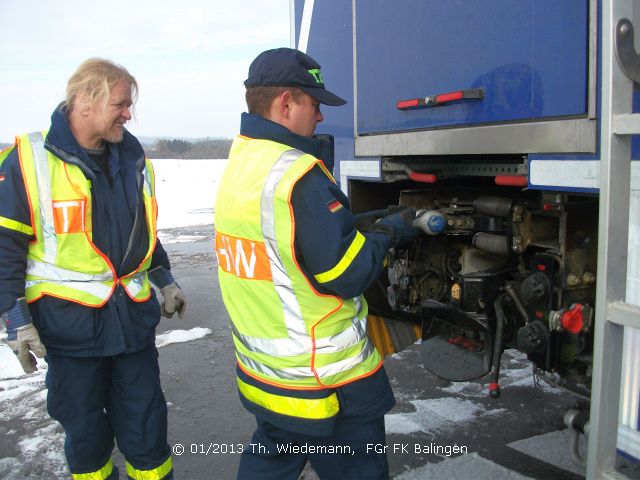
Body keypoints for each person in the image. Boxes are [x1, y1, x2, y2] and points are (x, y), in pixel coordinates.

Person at [214, 48, 420, 480]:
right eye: (315, 104)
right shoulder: (299, 175)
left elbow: (288, 246)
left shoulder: (244, 162)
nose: (321, 117)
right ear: (286, 102)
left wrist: (354, 224)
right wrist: (389, 233)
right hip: (330, 384)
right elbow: (348, 275)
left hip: (270, 378)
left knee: (268, 466)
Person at [0, 58, 186, 480]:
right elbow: (5, 250)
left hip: (131, 328)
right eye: (121, 103)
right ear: (84, 100)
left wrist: (165, 278)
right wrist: (15, 322)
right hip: (70, 333)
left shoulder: (134, 161)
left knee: (147, 428)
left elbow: (143, 232)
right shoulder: (28, 162)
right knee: (85, 436)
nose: (129, 114)